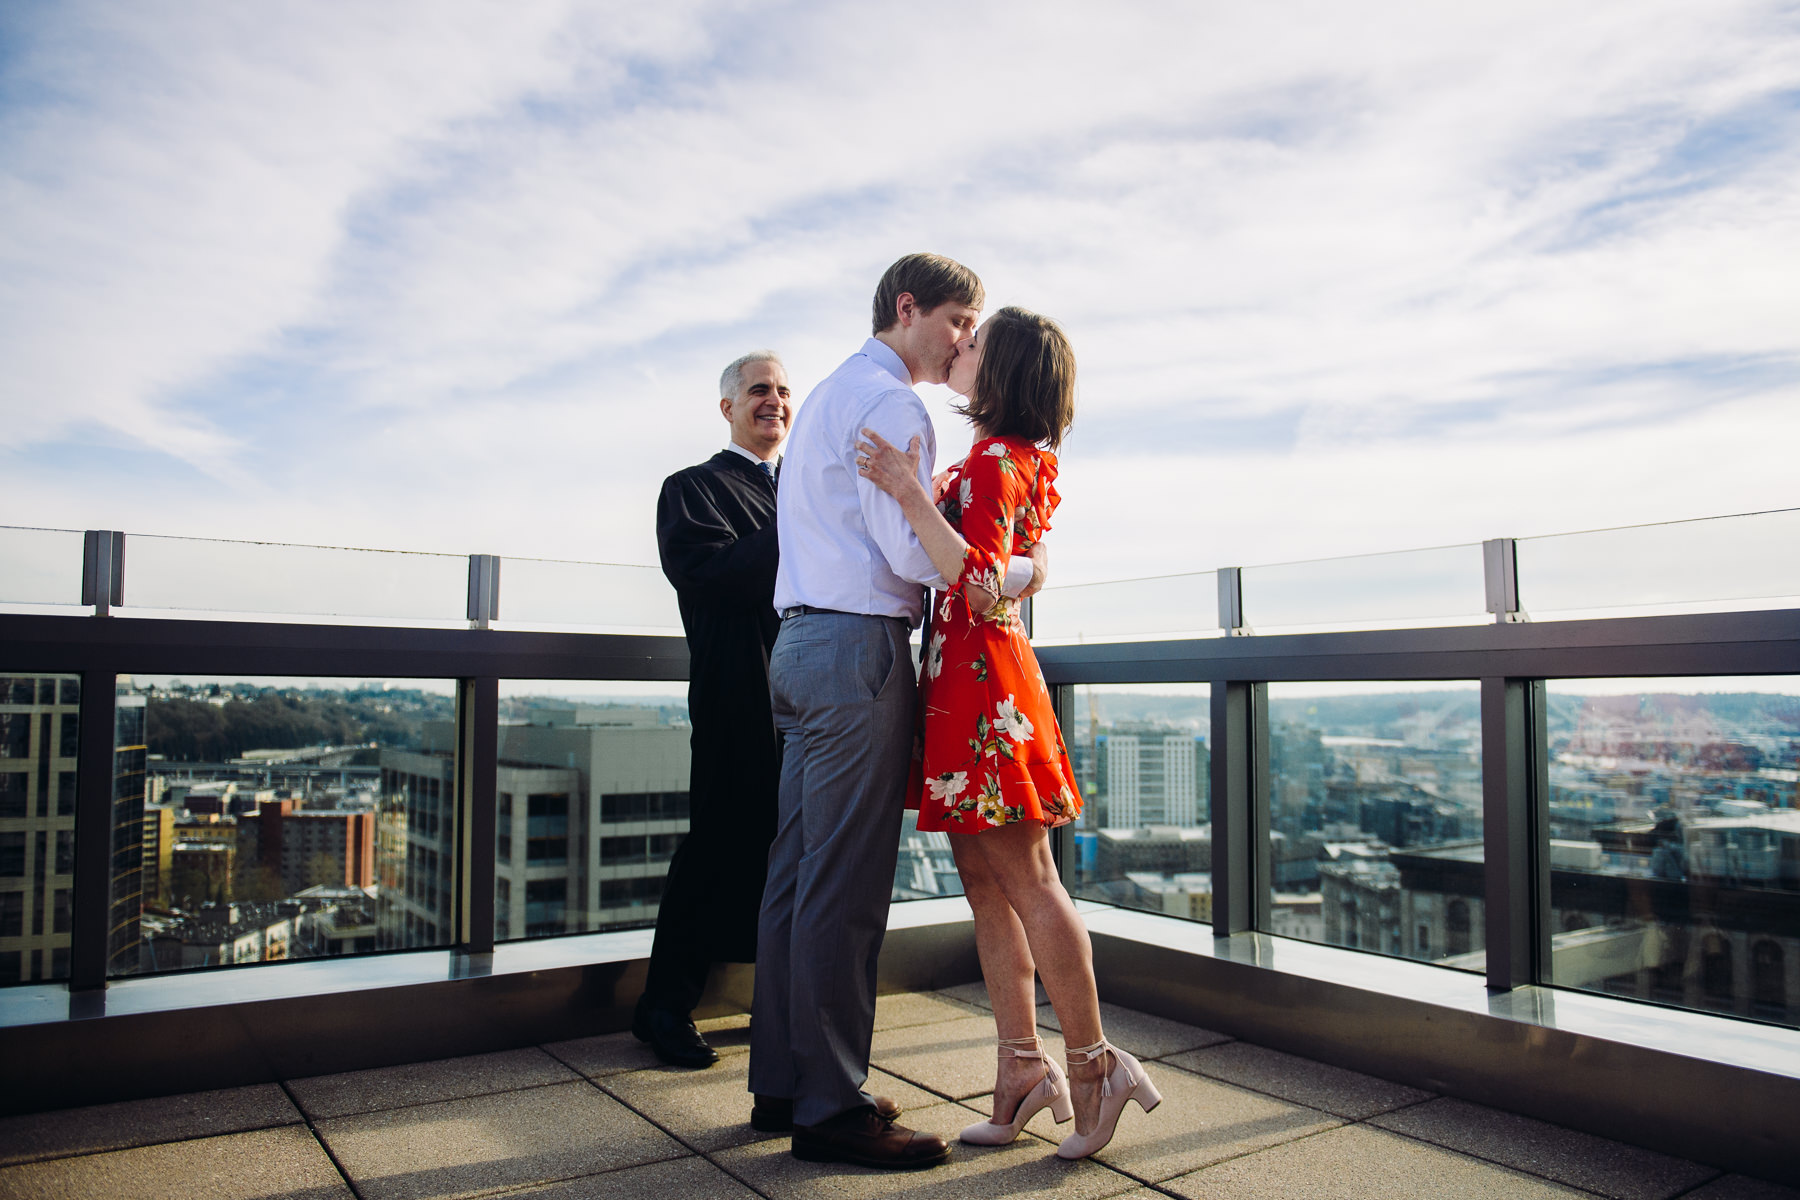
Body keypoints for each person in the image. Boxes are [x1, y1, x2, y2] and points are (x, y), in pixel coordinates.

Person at [748, 254, 1045, 1170]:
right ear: (908, 308)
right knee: (842, 890)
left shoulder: (835, 392)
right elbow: (917, 561)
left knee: (797, 875)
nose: (965, 341)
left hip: (798, 646)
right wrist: (1021, 572)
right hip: (857, 654)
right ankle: (832, 1109)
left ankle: (789, 1082)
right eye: (959, 321)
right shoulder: (894, 407)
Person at [855, 306, 1161, 1160]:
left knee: (1026, 882)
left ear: (1006, 369)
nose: (962, 345)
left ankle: (1096, 1066)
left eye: (977, 341)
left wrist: (910, 490)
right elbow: (1024, 567)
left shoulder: (993, 459)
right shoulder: (1009, 456)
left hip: (985, 686)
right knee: (988, 888)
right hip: (968, 684)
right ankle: (1021, 1069)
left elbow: (987, 587)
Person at [636, 351, 793, 1068]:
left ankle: (782, 1006)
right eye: (759, 390)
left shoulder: (799, 488)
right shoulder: (693, 489)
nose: (775, 401)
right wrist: (804, 520)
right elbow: (709, 576)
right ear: (727, 407)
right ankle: (664, 1008)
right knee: (716, 849)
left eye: (785, 391)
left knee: (798, 855)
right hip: (739, 694)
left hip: (812, 700)